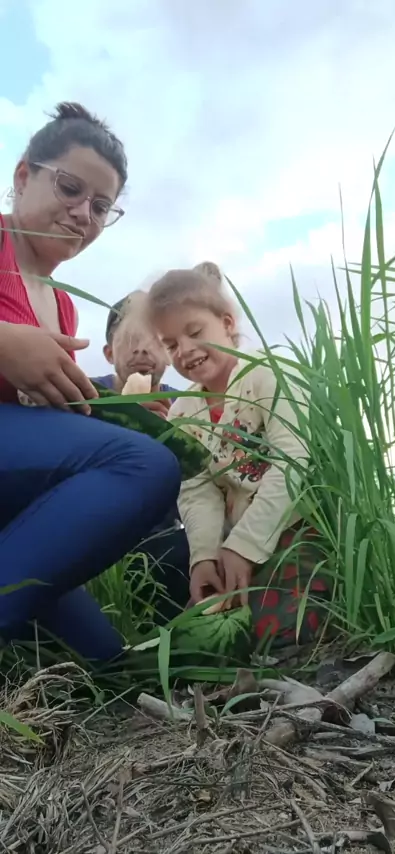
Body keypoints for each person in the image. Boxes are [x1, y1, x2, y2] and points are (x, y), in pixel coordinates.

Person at [0, 102, 181, 663]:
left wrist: (101, 413)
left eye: (101, 206)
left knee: (105, 664)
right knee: (143, 466)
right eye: (70, 188)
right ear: (24, 176)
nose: (83, 213)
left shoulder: (63, 308)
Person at [141, 261, 329, 648]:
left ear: (227, 323)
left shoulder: (267, 376)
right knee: (207, 630)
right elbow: (197, 490)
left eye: (195, 332)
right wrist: (204, 557)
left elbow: (292, 461)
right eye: (171, 345)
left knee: (278, 631)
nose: (185, 350)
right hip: (233, 544)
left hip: (296, 530)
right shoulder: (183, 412)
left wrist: (245, 546)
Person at [91, 292, 191, 623]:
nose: (142, 350)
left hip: (170, 538)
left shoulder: (188, 407)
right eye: (131, 339)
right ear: (109, 352)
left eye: (154, 340)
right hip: (100, 535)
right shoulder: (84, 398)